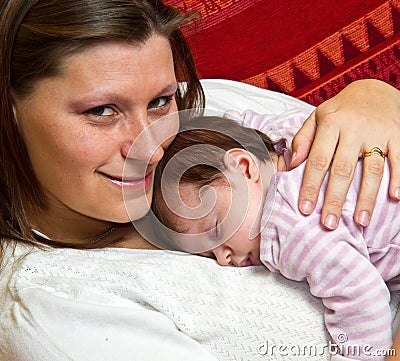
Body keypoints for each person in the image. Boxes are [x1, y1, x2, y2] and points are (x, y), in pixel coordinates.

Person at [1, 0, 400, 360]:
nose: (152, 149)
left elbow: (302, 130)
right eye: (102, 110)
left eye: (160, 101)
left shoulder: (207, 112)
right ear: (10, 112)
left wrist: (372, 97)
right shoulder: (53, 310)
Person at [151, 111, 400, 360]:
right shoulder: (292, 133)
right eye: (208, 254)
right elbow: (245, 120)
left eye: (216, 230)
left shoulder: (290, 230)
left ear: (245, 168)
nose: (223, 259)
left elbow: (361, 298)